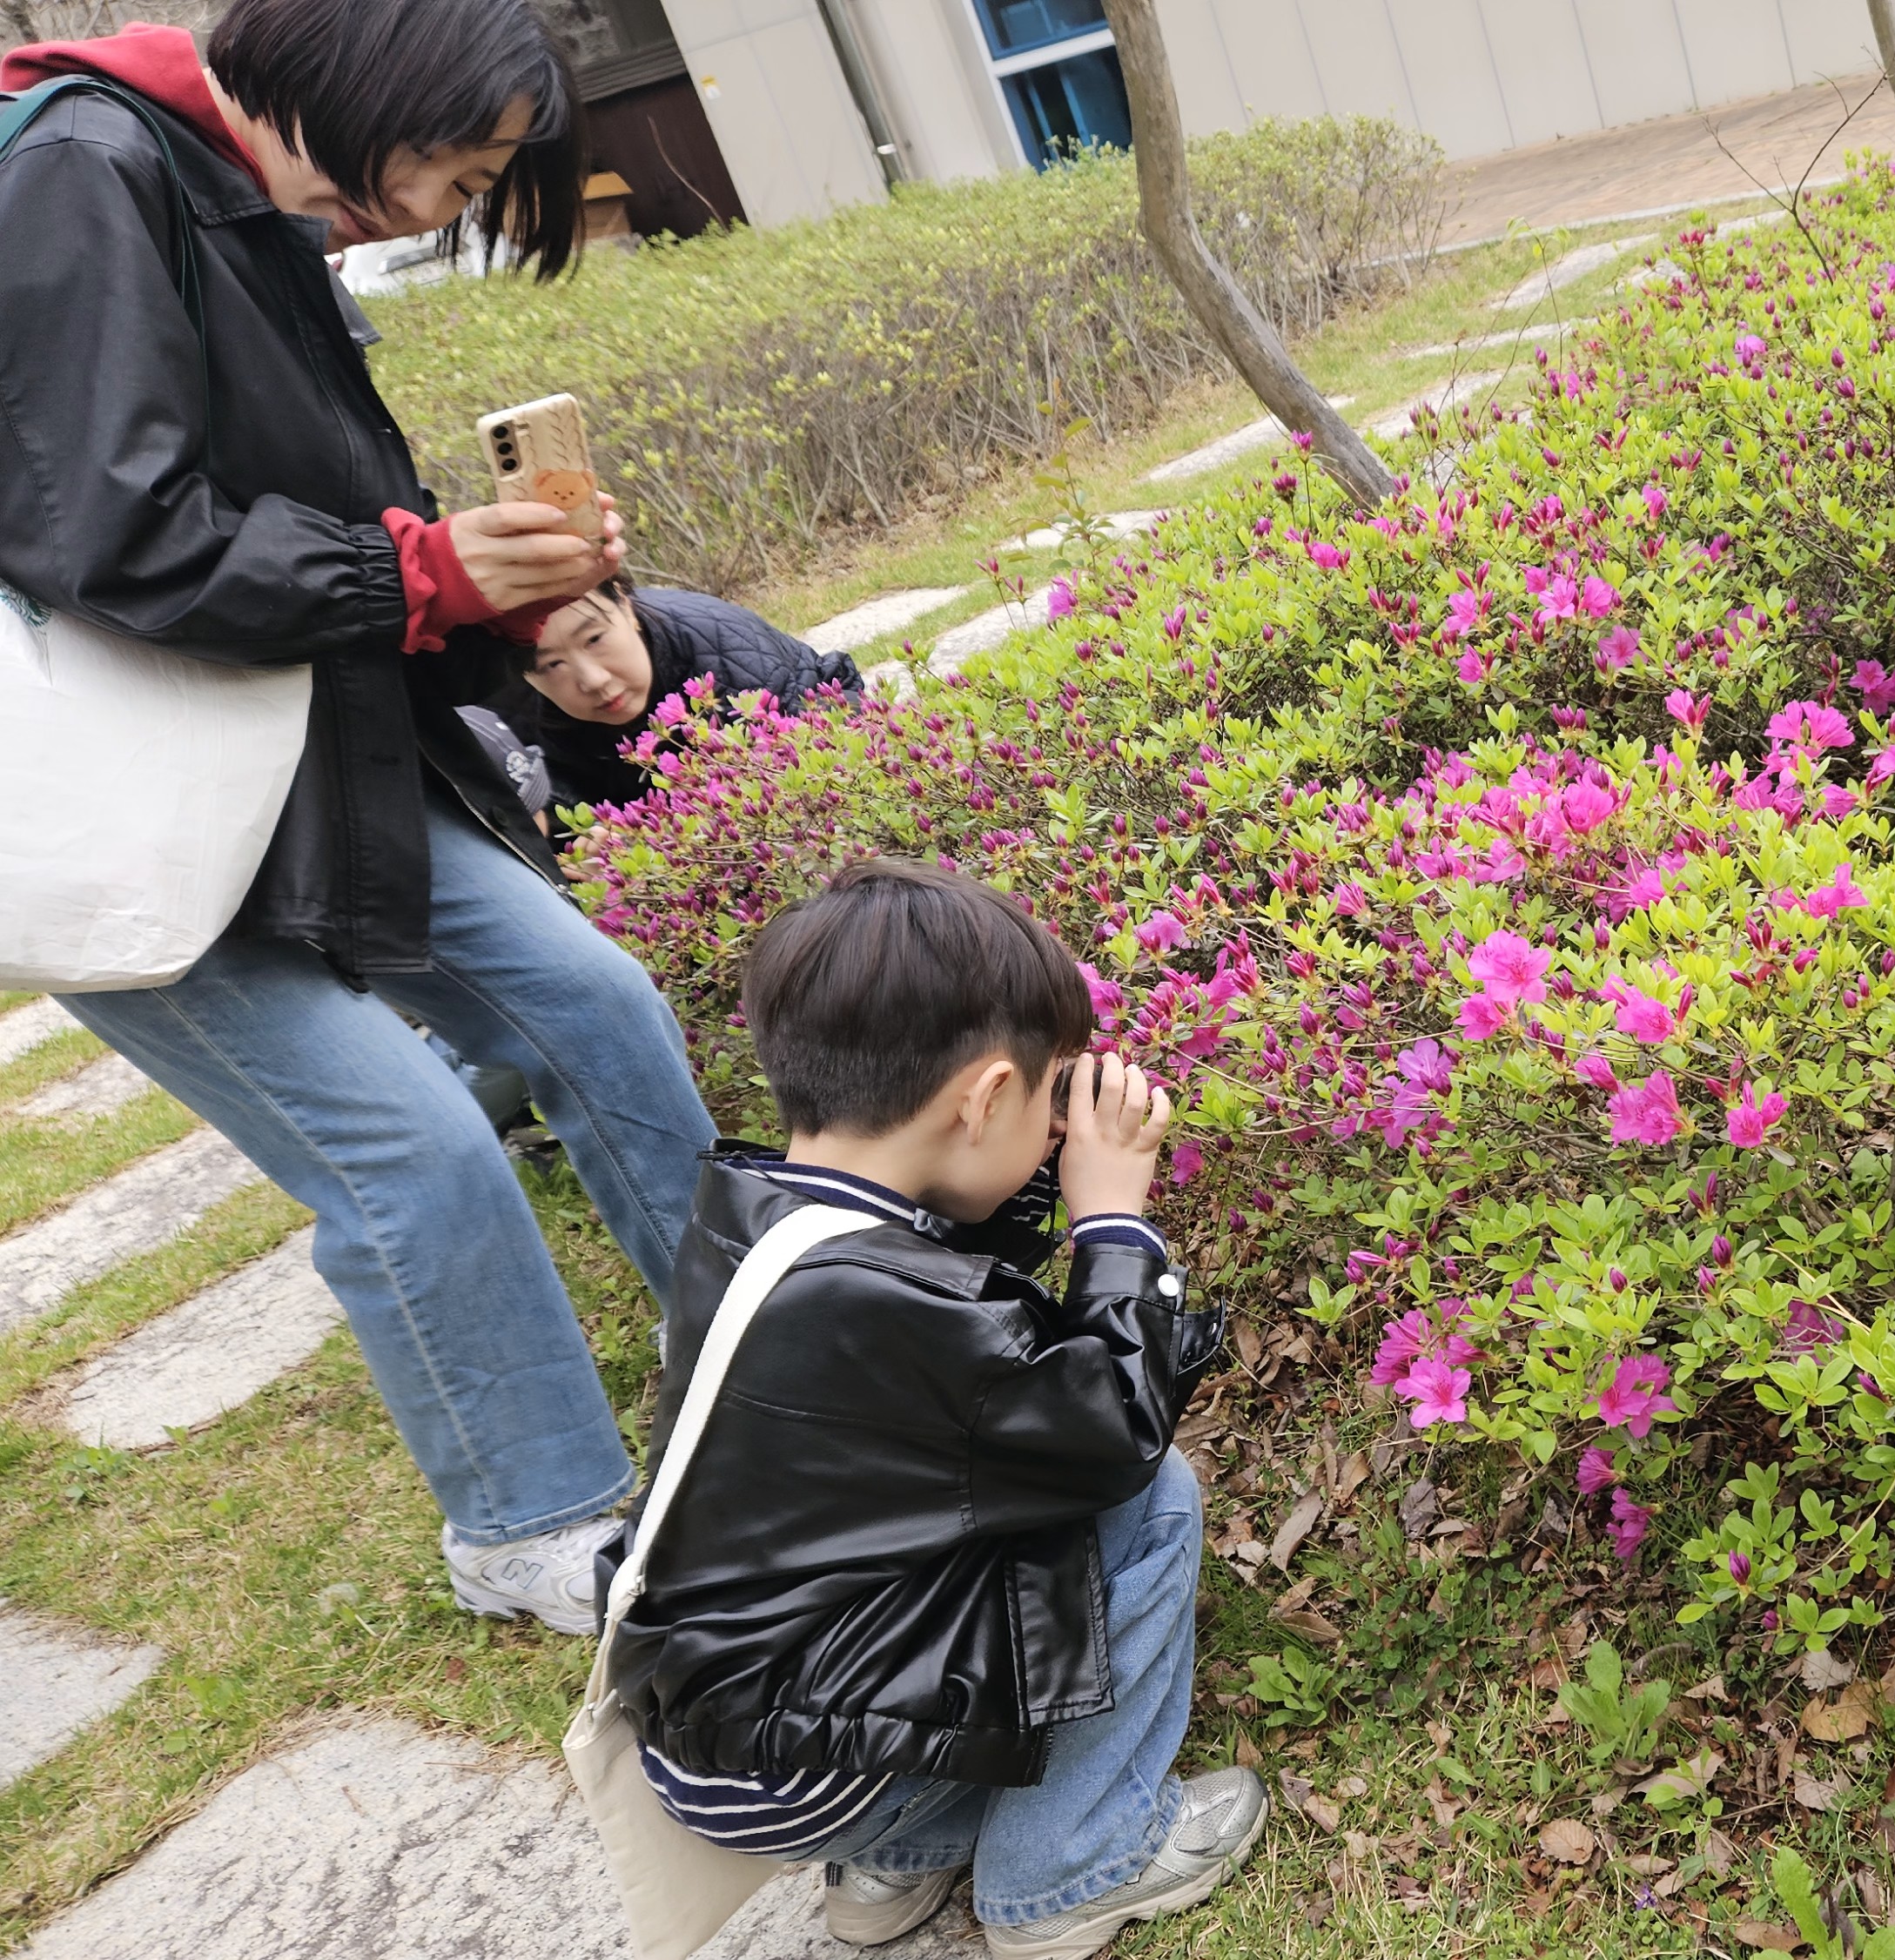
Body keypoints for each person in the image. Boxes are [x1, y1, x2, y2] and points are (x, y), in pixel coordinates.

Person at [0, 0, 716, 1631]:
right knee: (415, 1151)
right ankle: (530, 1523)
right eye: (445, 173)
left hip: (307, 761)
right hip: (127, 824)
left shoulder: (228, 193)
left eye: (464, 193)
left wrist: (485, 594)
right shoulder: (84, 170)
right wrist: (420, 570)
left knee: (593, 1003)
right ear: (353, 83)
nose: (425, 219)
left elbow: (302, 518)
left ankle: (750, 1339)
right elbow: (115, 537)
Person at [608, 862, 1259, 1960]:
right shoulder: (904, 1297)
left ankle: (896, 1864)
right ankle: (1072, 1865)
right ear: (984, 1096)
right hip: (813, 1765)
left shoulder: (755, 1221)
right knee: (1151, 1501)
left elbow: (967, 1344)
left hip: (717, 1729)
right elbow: (1107, 1434)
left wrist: (1037, 1179)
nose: (1060, 1133)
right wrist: (1114, 1226)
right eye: (1051, 1102)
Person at [505, 574, 864, 822]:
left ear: (626, 608)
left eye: (595, 639)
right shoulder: (505, 718)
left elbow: (835, 711)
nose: (593, 680)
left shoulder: (729, 658)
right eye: (551, 664)